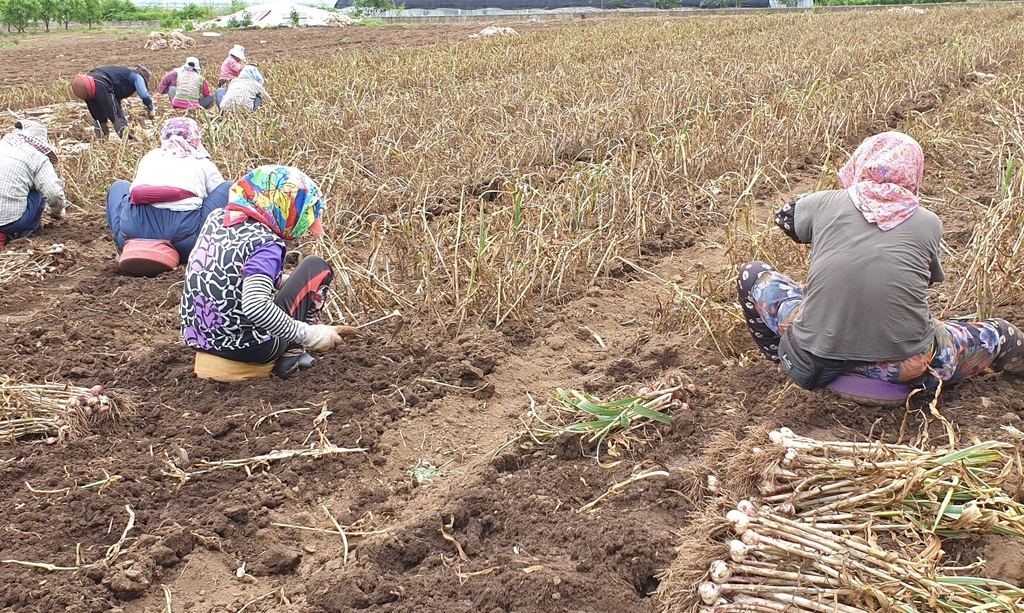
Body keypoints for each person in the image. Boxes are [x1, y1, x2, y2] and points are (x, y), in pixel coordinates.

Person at [737, 131, 1024, 395]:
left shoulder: (826, 202)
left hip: (815, 357)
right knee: (1000, 335)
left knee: (753, 274)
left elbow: (785, 218)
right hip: (902, 368)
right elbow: (923, 281)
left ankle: (785, 360)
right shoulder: (928, 223)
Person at [180, 165, 356, 379]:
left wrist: (284, 282)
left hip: (199, 338)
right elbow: (255, 307)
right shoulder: (267, 243)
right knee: (316, 267)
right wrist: (310, 334)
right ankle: (293, 354)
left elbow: (228, 273)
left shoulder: (217, 219)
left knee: (300, 279)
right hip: (248, 348)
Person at [106, 118, 230, 275]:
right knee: (227, 188)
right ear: (195, 137)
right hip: (183, 240)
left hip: (131, 235)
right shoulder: (201, 162)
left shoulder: (151, 157)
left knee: (119, 186)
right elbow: (218, 193)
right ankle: (214, 248)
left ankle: (121, 248)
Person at [0, 120, 67, 248]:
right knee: (38, 190)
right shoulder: (36, 157)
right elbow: (53, 193)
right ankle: (24, 233)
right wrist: (58, 211)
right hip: (10, 223)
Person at [72, 66, 155, 139]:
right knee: (116, 116)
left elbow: (115, 100)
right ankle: (125, 139)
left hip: (88, 87)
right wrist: (150, 108)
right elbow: (145, 95)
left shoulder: (120, 75)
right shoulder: (136, 76)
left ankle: (101, 142)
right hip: (100, 83)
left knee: (99, 118)